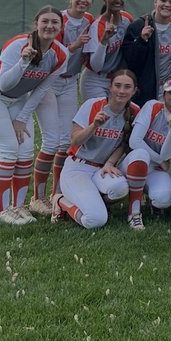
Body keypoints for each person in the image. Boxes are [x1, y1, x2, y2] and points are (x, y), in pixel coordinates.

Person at [0, 6, 68, 223]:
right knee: (8, 150)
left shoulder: (61, 54)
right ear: (37, 24)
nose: (49, 26)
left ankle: (18, 205)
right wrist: (23, 61)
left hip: (19, 99)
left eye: (55, 22)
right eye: (45, 21)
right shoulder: (18, 44)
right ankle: (1, 210)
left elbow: (40, 90)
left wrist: (20, 119)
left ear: (61, 27)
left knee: (25, 152)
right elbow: (5, 83)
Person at [29, 0, 95, 216]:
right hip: (50, 79)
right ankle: (38, 196)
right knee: (52, 140)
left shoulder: (90, 21)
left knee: (67, 141)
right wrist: (74, 45)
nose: (83, 0)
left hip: (70, 81)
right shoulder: (58, 19)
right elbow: (46, 48)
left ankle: (57, 192)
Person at [53, 69, 148, 230]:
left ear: (134, 90)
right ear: (110, 87)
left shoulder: (134, 110)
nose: (121, 91)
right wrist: (94, 126)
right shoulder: (93, 105)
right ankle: (60, 200)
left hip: (101, 169)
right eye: (117, 85)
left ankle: (96, 200)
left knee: (119, 189)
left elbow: (125, 144)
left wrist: (110, 162)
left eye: (127, 87)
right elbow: (75, 140)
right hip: (79, 167)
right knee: (95, 220)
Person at [128, 77, 171, 217]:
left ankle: (152, 199)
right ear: (164, 95)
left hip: (156, 169)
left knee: (163, 200)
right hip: (135, 161)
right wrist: (159, 160)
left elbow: (166, 155)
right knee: (141, 154)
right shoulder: (152, 106)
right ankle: (131, 210)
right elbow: (134, 141)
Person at [121, 0, 171, 106]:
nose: (167, 5)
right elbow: (130, 60)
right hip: (146, 88)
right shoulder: (139, 25)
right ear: (155, 2)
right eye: (163, 0)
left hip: (169, 87)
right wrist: (142, 40)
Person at [80, 0, 133, 101]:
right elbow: (96, 66)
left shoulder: (127, 19)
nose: (117, 0)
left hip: (117, 79)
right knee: (97, 116)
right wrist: (104, 40)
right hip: (96, 79)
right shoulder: (97, 25)